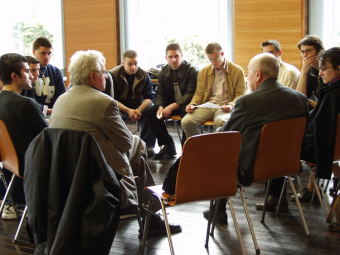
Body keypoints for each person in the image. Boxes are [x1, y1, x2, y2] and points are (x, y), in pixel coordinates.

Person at [49, 50, 181, 237]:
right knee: (138, 149)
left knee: (133, 154)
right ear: (93, 76)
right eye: (104, 72)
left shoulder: (61, 100)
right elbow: (126, 143)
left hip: (67, 170)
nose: (106, 76)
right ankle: (149, 216)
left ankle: (135, 206)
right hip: (99, 171)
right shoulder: (103, 102)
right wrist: (140, 145)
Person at [203, 53, 308, 223]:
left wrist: (218, 130)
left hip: (252, 169)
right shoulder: (300, 99)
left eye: (249, 73)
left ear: (258, 74)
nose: (248, 78)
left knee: (220, 150)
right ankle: (277, 198)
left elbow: (225, 136)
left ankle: (219, 210)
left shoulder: (247, 102)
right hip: (288, 164)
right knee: (275, 146)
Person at [0, 53, 48, 219]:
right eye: (28, 71)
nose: (33, 75)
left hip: (10, 163)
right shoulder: (26, 104)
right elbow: (48, 137)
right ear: (15, 76)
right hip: (32, 163)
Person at [291, 47, 340, 203]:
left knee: (285, 142)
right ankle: (337, 175)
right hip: (336, 147)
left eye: (324, 69)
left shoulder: (333, 93)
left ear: (338, 69)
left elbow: (320, 129)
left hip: (323, 147)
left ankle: (275, 196)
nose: (320, 73)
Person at [181, 42, 245, 139]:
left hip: (225, 106)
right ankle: (200, 148)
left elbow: (240, 94)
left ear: (222, 54)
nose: (213, 63)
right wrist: (193, 104)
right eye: (210, 60)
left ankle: (217, 151)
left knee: (220, 122)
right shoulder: (203, 72)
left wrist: (231, 105)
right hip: (209, 105)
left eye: (216, 59)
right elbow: (199, 93)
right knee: (186, 121)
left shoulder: (237, 71)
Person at [147, 43, 198, 158]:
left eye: (177, 56)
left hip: (187, 105)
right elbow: (159, 92)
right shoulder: (163, 71)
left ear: (182, 56)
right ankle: (167, 144)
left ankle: (187, 148)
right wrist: (160, 106)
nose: (174, 60)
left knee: (186, 112)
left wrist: (171, 107)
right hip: (169, 104)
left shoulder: (191, 70)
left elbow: (191, 93)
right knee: (151, 111)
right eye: (170, 57)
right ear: (166, 58)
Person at [110, 50, 156, 157]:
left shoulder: (144, 75)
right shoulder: (113, 75)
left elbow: (149, 97)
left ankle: (147, 145)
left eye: (136, 64)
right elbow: (112, 99)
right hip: (120, 105)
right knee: (115, 116)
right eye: (130, 64)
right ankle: (119, 145)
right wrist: (128, 110)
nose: (133, 67)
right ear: (123, 63)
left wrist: (139, 109)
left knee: (151, 111)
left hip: (137, 104)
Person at [32, 37, 66, 114]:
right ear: (34, 52)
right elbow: (28, 100)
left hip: (54, 112)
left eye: (49, 53)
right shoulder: (28, 71)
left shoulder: (56, 71)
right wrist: (47, 111)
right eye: (43, 53)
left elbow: (61, 97)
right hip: (34, 113)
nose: (47, 57)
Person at [296, 35, 326, 101]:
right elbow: (299, 98)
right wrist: (303, 72)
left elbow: (327, 104)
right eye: (302, 52)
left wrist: (307, 101)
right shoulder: (309, 69)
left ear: (320, 51)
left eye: (308, 50)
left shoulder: (330, 70)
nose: (305, 55)